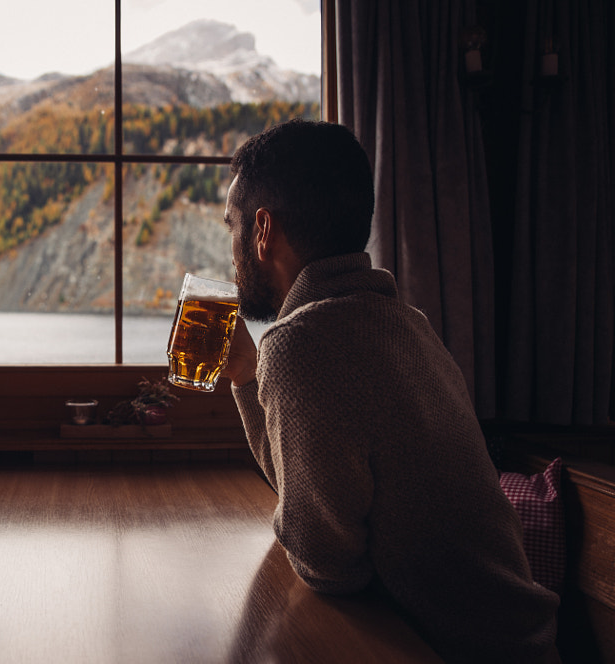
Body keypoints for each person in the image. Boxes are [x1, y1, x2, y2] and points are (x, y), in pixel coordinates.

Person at [221, 119, 560, 663]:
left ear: (262, 230)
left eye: (231, 225)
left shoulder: (302, 343)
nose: (231, 248)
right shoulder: (404, 323)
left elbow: (326, 566)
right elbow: (309, 498)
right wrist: (246, 377)